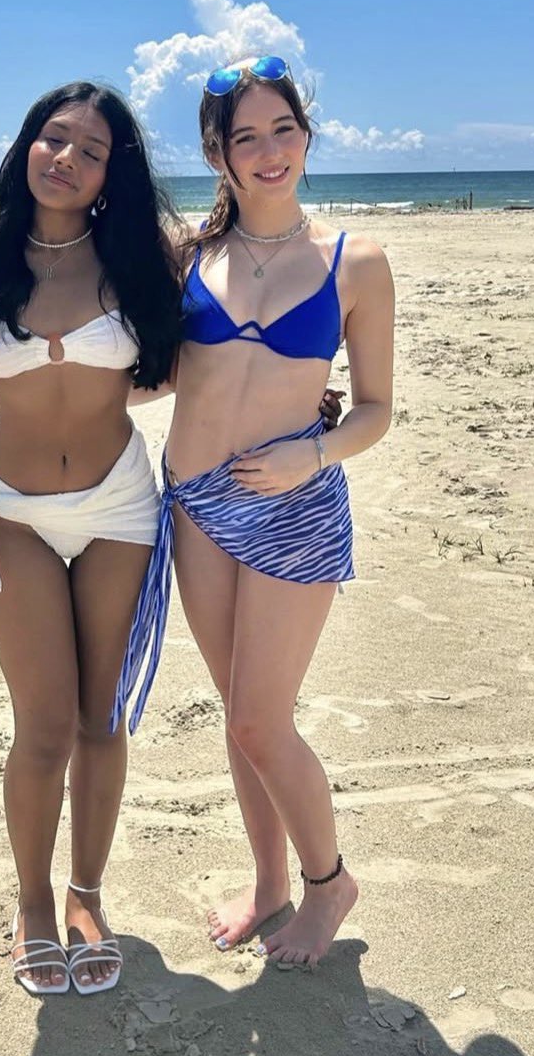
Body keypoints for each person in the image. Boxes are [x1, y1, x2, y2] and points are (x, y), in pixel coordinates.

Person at [122, 55, 395, 969]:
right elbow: (156, 374)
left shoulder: (356, 262)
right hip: (196, 503)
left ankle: (329, 885)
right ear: (219, 155)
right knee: (239, 710)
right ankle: (269, 885)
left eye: (284, 129)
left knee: (258, 721)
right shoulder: (190, 258)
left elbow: (375, 411)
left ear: (306, 138)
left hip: (295, 509)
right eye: (247, 138)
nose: (269, 150)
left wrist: (309, 453)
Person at [0, 82, 182, 996]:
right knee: (43, 725)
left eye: (91, 150)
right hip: (12, 511)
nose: (66, 159)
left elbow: (198, 353)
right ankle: (32, 904)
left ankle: (86, 896)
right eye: (53, 138)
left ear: (113, 174)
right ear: (26, 145)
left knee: (100, 717)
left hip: (118, 507)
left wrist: (306, 401)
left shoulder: (139, 257)